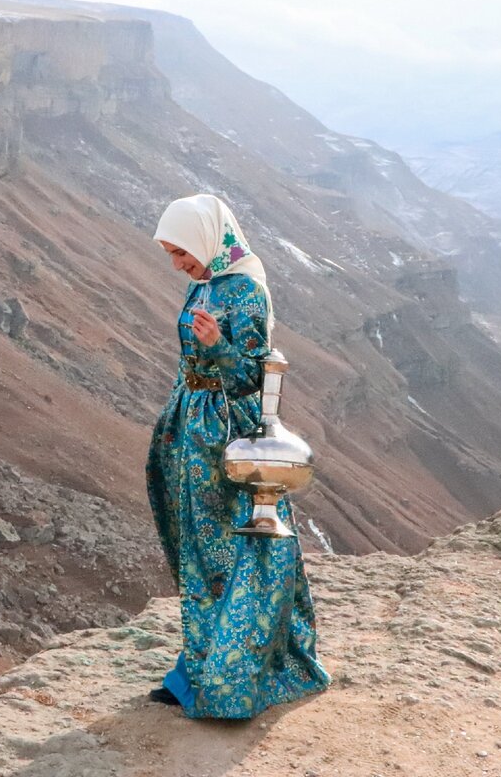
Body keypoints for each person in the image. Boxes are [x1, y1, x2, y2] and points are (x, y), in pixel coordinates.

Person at [145, 193, 330, 719]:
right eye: (173, 256)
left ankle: (234, 671)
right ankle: (198, 666)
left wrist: (220, 346)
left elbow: (256, 375)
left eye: (182, 252)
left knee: (230, 552)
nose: (179, 264)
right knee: (198, 552)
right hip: (192, 431)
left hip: (226, 438)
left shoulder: (246, 290)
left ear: (206, 238)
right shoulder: (205, 283)